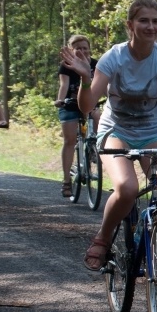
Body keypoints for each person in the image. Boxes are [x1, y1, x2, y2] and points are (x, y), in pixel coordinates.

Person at [60, 0, 157, 271]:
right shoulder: (113, 57)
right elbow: (87, 105)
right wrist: (85, 79)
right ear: (130, 25)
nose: (151, 27)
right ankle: (103, 238)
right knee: (127, 189)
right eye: (144, 21)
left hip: (152, 131)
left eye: (156, 21)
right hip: (116, 130)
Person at [54, 35, 100, 197]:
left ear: (89, 49)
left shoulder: (96, 64)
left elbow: (102, 85)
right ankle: (67, 181)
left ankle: (95, 145)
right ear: (72, 50)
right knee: (70, 140)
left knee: (98, 115)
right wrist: (60, 100)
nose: (82, 50)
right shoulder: (66, 65)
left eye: (84, 47)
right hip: (70, 103)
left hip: (89, 103)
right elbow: (64, 84)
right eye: (78, 48)